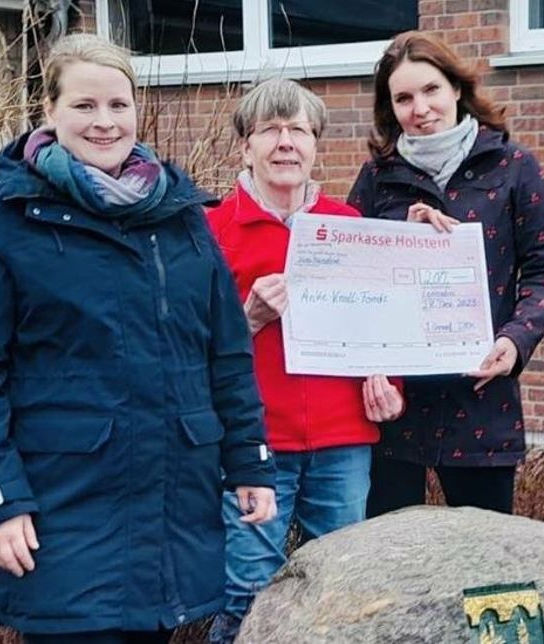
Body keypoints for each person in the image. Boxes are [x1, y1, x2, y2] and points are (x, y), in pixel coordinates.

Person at [0, 34, 277, 644]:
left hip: (173, 505)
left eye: (118, 105)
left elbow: (223, 352)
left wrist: (247, 458)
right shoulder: (1, 218)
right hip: (61, 506)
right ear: (50, 111)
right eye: (85, 106)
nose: (104, 122)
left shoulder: (179, 216)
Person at [205, 78, 404, 644]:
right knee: (249, 592)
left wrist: (387, 381)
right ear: (246, 146)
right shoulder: (212, 232)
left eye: (299, 130)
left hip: (342, 440)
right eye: (270, 129)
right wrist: (247, 319)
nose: (285, 142)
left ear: (316, 145)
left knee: (341, 588)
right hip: (253, 446)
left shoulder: (350, 226)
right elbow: (189, 348)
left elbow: (383, 328)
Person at [348, 31, 544, 517]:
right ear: (390, 108)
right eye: (403, 98)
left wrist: (515, 340)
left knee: (490, 571)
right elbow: (352, 276)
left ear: (455, 88)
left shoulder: (513, 167)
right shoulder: (376, 177)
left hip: (483, 403)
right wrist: (394, 231)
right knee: (388, 568)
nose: (420, 108)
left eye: (430, 90)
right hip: (394, 408)